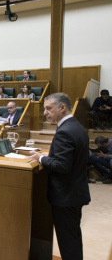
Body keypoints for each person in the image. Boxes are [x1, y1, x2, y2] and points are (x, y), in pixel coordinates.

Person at [29, 93, 90, 260]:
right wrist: (51, 156)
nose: (45, 113)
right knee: (73, 238)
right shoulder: (76, 126)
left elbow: (62, 166)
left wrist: (41, 158)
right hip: (75, 192)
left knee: (68, 242)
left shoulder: (65, 131)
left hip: (66, 196)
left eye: (49, 108)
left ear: (62, 108)